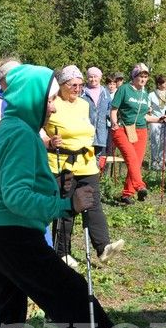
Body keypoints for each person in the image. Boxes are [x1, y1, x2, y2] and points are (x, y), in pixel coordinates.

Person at [0, 63, 166, 328]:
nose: (52, 106)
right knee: (70, 291)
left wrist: (53, 184)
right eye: (48, 99)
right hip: (11, 235)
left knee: (6, 314)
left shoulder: (14, 128)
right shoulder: (20, 134)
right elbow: (16, 197)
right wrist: (66, 202)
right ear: (31, 97)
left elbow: (14, 186)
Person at [44, 65, 124, 268]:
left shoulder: (83, 105)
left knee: (93, 202)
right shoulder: (51, 105)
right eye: (73, 85)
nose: (77, 89)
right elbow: (39, 131)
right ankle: (62, 252)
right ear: (62, 85)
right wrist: (49, 141)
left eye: (80, 85)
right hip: (62, 162)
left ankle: (103, 247)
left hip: (86, 162)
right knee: (67, 207)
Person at [110, 63, 159, 205]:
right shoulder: (124, 89)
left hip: (141, 130)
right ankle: (140, 186)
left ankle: (127, 194)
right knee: (131, 157)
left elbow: (145, 116)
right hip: (122, 128)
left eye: (145, 77)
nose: (143, 79)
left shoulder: (144, 94)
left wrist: (158, 119)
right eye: (140, 76)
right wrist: (114, 123)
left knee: (136, 162)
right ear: (134, 76)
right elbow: (114, 110)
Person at [148, 74, 166, 171]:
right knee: (155, 142)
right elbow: (147, 107)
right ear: (159, 84)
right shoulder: (151, 95)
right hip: (155, 121)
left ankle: (161, 162)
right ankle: (153, 162)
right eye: (164, 83)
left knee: (164, 142)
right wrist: (149, 109)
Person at [82, 67, 111, 166]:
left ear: (100, 78)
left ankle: (96, 178)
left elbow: (110, 109)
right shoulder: (82, 92)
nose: (93, 79)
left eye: (95, 77)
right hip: (85, 131)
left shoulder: (105, 92)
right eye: (90, 77)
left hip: (101, 130)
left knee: (97, 157)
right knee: (84, 156)